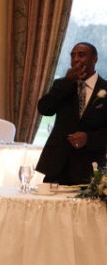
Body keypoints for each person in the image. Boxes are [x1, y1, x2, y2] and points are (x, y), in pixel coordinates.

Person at [36, 42, 107, 185]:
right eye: (72, 56)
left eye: (81, 55)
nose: (75, 59)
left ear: (94, 59)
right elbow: (44, 109)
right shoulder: (62, 85)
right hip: (57, 165)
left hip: (90, 167)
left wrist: (88, 138)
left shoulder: (105, 89)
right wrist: (68, 81)